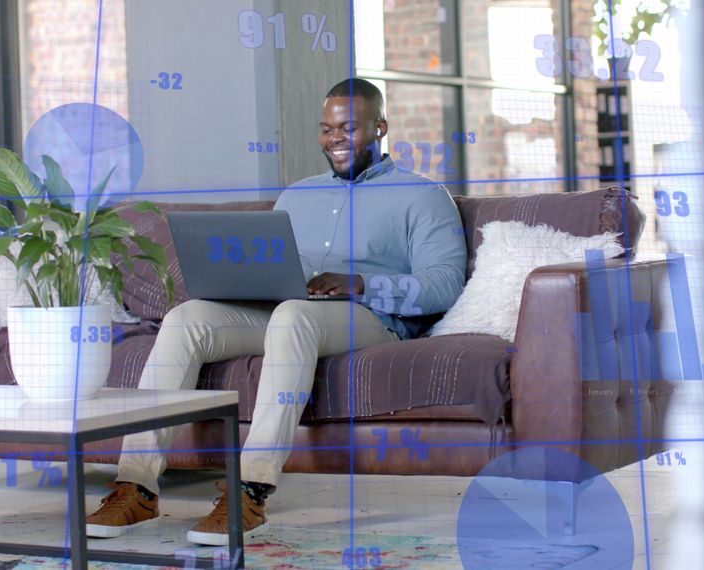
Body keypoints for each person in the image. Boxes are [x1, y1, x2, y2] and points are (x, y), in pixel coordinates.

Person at [85, 78, 467, 546]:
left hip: (370, 318)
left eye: (349, 127)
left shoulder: (423, 196)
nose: (335, 139)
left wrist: (361, 283)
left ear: (381, 127)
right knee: (187, 320)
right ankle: (136, 487)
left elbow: (443, 286)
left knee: (293, 318)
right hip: (286, 309)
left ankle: (250, 489)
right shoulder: (297, 196)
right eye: (326, 129)